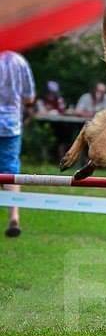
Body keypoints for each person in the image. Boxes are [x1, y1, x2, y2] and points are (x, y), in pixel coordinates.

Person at [0, 51, 35, 238]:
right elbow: (29, 97)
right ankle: (14, 216)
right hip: (11, 125)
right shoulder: (19, 60)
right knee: (10, 171)